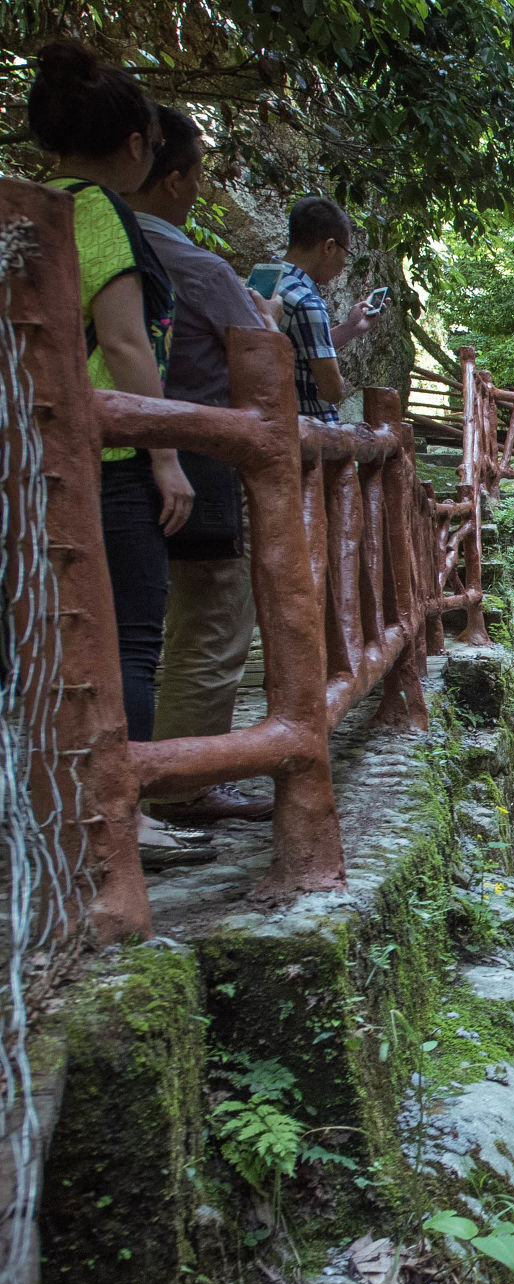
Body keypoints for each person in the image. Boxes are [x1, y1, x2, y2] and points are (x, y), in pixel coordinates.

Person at [28, 42, 211, 868]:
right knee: (129, 639)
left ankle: (55, 815)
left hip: (34, 460)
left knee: (48, 640)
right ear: (137, 144)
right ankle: (122, 818)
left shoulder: (23, 206)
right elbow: (128, 349)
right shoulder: (97, 213)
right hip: (108, 461)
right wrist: (166, 455)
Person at [127, 104, 276, 825]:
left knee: (130, 628)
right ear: (176, 176)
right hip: (202, 457)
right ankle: (183, 781)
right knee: (212, 623)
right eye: (195, 174)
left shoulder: (83, 242)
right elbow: (263, 361)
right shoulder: (193, 265)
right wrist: (266, 315)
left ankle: (136, 780)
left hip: (104, 460)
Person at [273, 196, 377, 425]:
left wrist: (351, 328)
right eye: (346, 254)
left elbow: (297, 347)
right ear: (329, 246)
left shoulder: (264, 278)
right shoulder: (307, 301)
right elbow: (333, 390)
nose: (343, 265)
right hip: (305, 438)